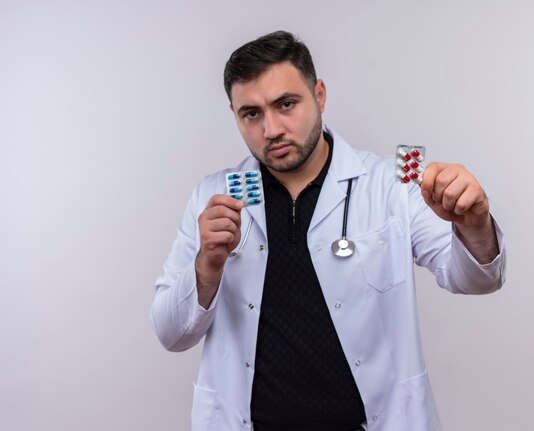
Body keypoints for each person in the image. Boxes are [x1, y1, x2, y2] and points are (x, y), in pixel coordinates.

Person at [151, 30, 506, 431]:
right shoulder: (211, 197)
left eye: (286, 104)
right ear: (234, 114)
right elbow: (170, 334)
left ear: (319, 95)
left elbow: (478, 279)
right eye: (251, 113)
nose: (271, 129)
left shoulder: (392, 184)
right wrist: (206, 267)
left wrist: (474, 222)